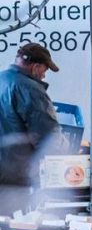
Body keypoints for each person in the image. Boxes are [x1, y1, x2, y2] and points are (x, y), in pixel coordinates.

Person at [0, 44, 63, 215]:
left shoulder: (2, 79)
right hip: (13, 177)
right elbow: (48, 135)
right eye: (44, 70)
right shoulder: (29, 89)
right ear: (35, 67)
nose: (43, 75)